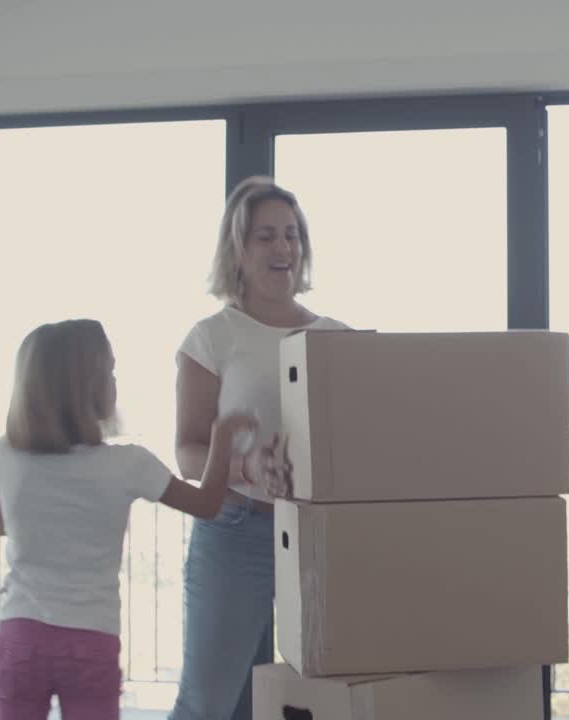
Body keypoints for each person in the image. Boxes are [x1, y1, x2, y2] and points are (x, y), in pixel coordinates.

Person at [0, 318, 254, 720]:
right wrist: (223, 435)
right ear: (90, 387)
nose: (114, 380)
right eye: (109, 370)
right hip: (92, 638)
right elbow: (209, 504)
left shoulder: (5, 455)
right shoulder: (128, 464)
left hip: (22, 634)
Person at [170, 177, 348, 720]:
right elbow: (188, 450)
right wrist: (243, 464)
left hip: (321, 538)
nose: (283, 249)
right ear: (238, 250)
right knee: (208, 702)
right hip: (235, 533)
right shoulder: (212, 337)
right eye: (266, 236)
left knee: (330, 697)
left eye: (291, 236)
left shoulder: (338, 337)